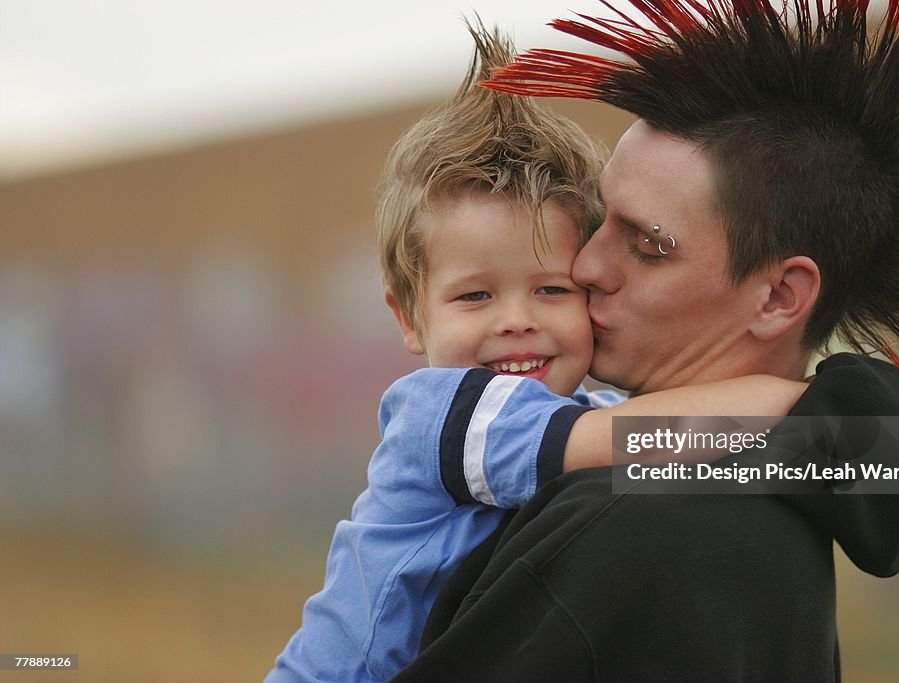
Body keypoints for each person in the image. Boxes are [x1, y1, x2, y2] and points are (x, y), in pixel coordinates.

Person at [393, 0, 899, 680]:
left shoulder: (633, 530)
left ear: (778, 296)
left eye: (647, 245)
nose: (586, 267)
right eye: (601, 221)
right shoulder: (777, 492)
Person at [266, 24, 808, 683]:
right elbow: (634, 439)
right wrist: (802, 402)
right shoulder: (442, 416)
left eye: (551, 288)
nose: (517, 321)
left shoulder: (590, 411)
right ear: (408, 317)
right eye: (474, 296)